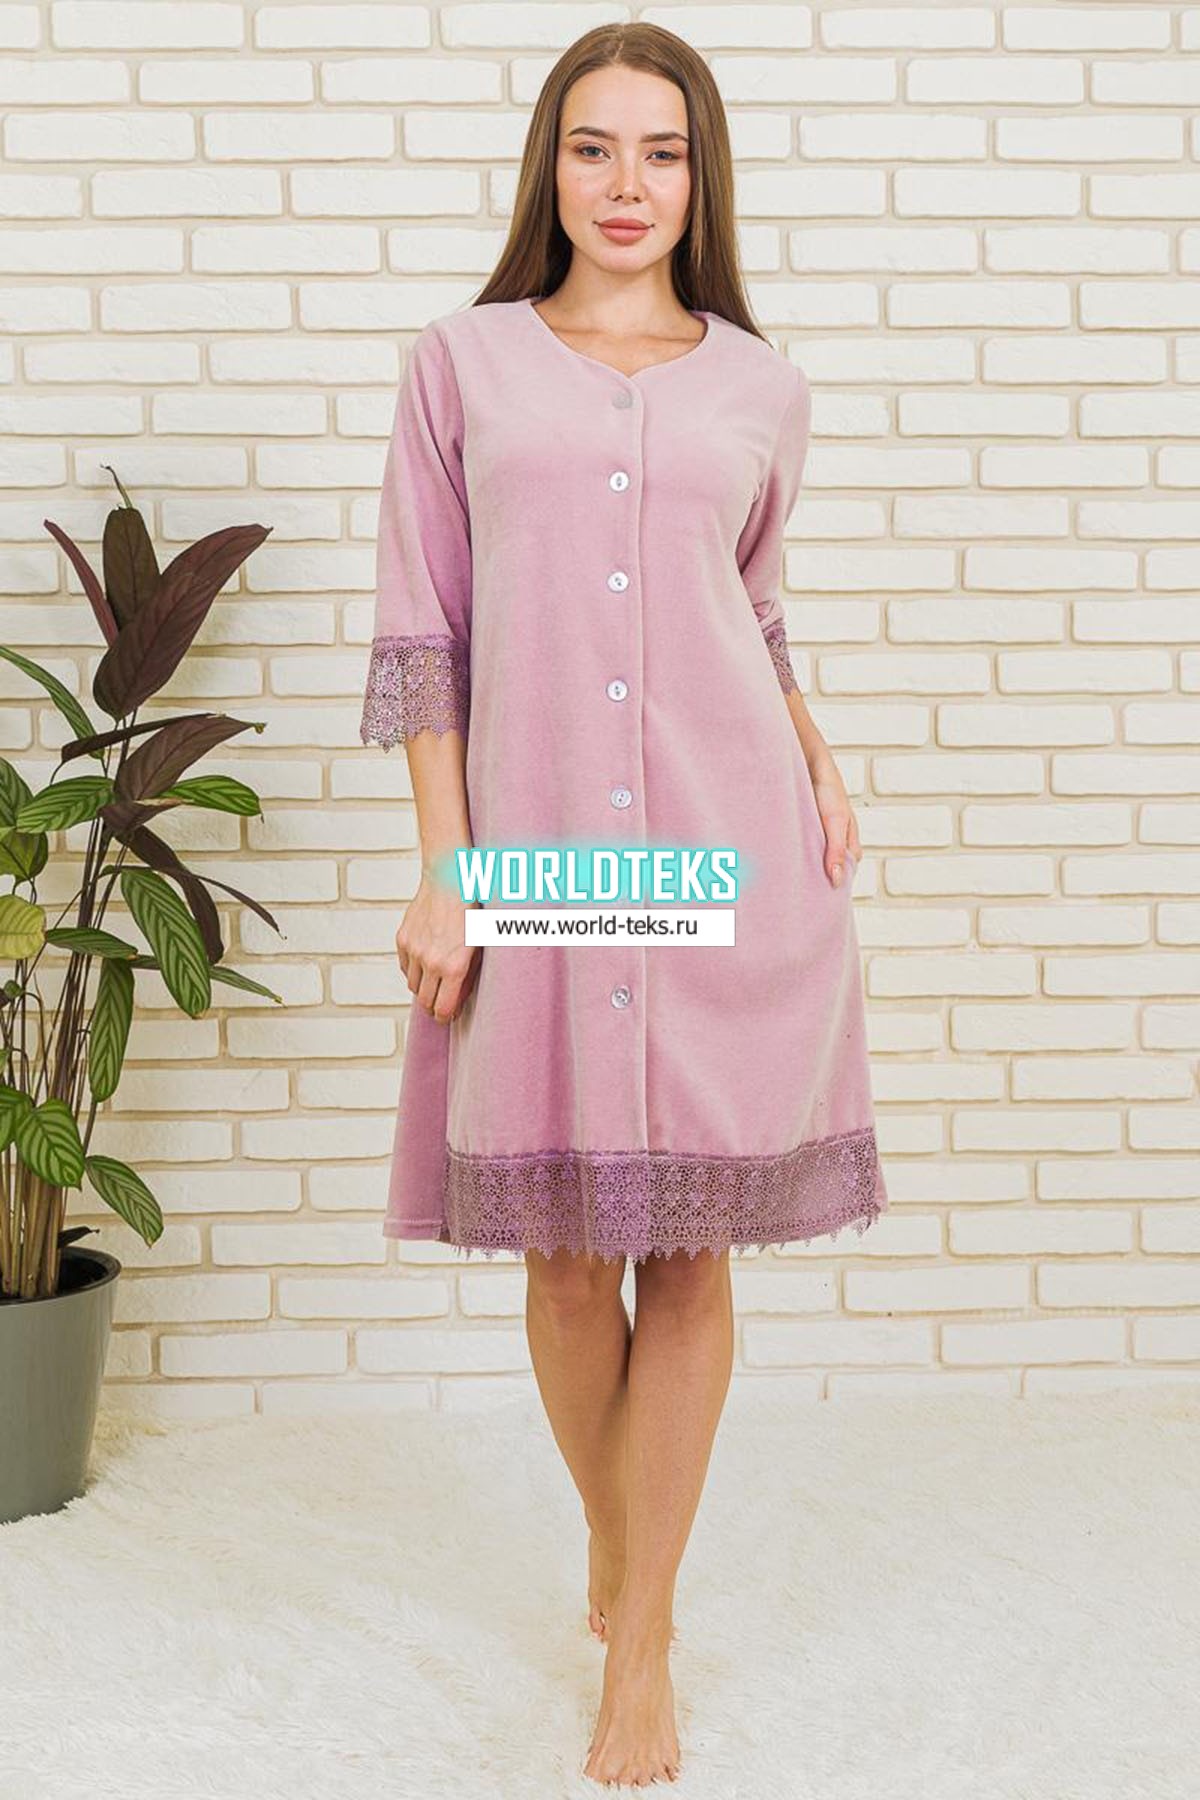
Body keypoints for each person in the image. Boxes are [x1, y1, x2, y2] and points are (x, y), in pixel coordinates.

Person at [359, 21, 888, 1789]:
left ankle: (641, 1633)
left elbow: (755, 607)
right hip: (536, 862)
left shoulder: (761, 387)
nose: (628, 185)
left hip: (727, 851)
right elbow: (425, 633)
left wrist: (818, 756)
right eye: (594, 149)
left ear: (700, 176)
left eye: (661, 152)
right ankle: (616, 1528)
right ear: (551, 168)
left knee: (689, 1247)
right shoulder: (461, 366)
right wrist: (448, 869)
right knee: (571, 1258)